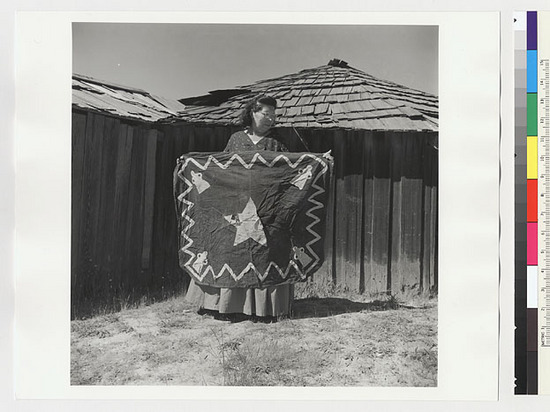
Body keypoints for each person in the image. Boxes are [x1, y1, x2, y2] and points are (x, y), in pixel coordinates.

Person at [185, 94, 293, 322]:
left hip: (266, 211)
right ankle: (223, 306)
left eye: (274, 114)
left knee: (263, 256)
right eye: (266, 113)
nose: (271, 118)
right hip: (234, 210)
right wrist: (189, 164)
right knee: (230, 254)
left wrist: (320, 162)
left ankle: (263, 310)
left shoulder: (277, 143)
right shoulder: (235, 140)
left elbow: (288, 172)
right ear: (253, 112)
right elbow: (222, 171)